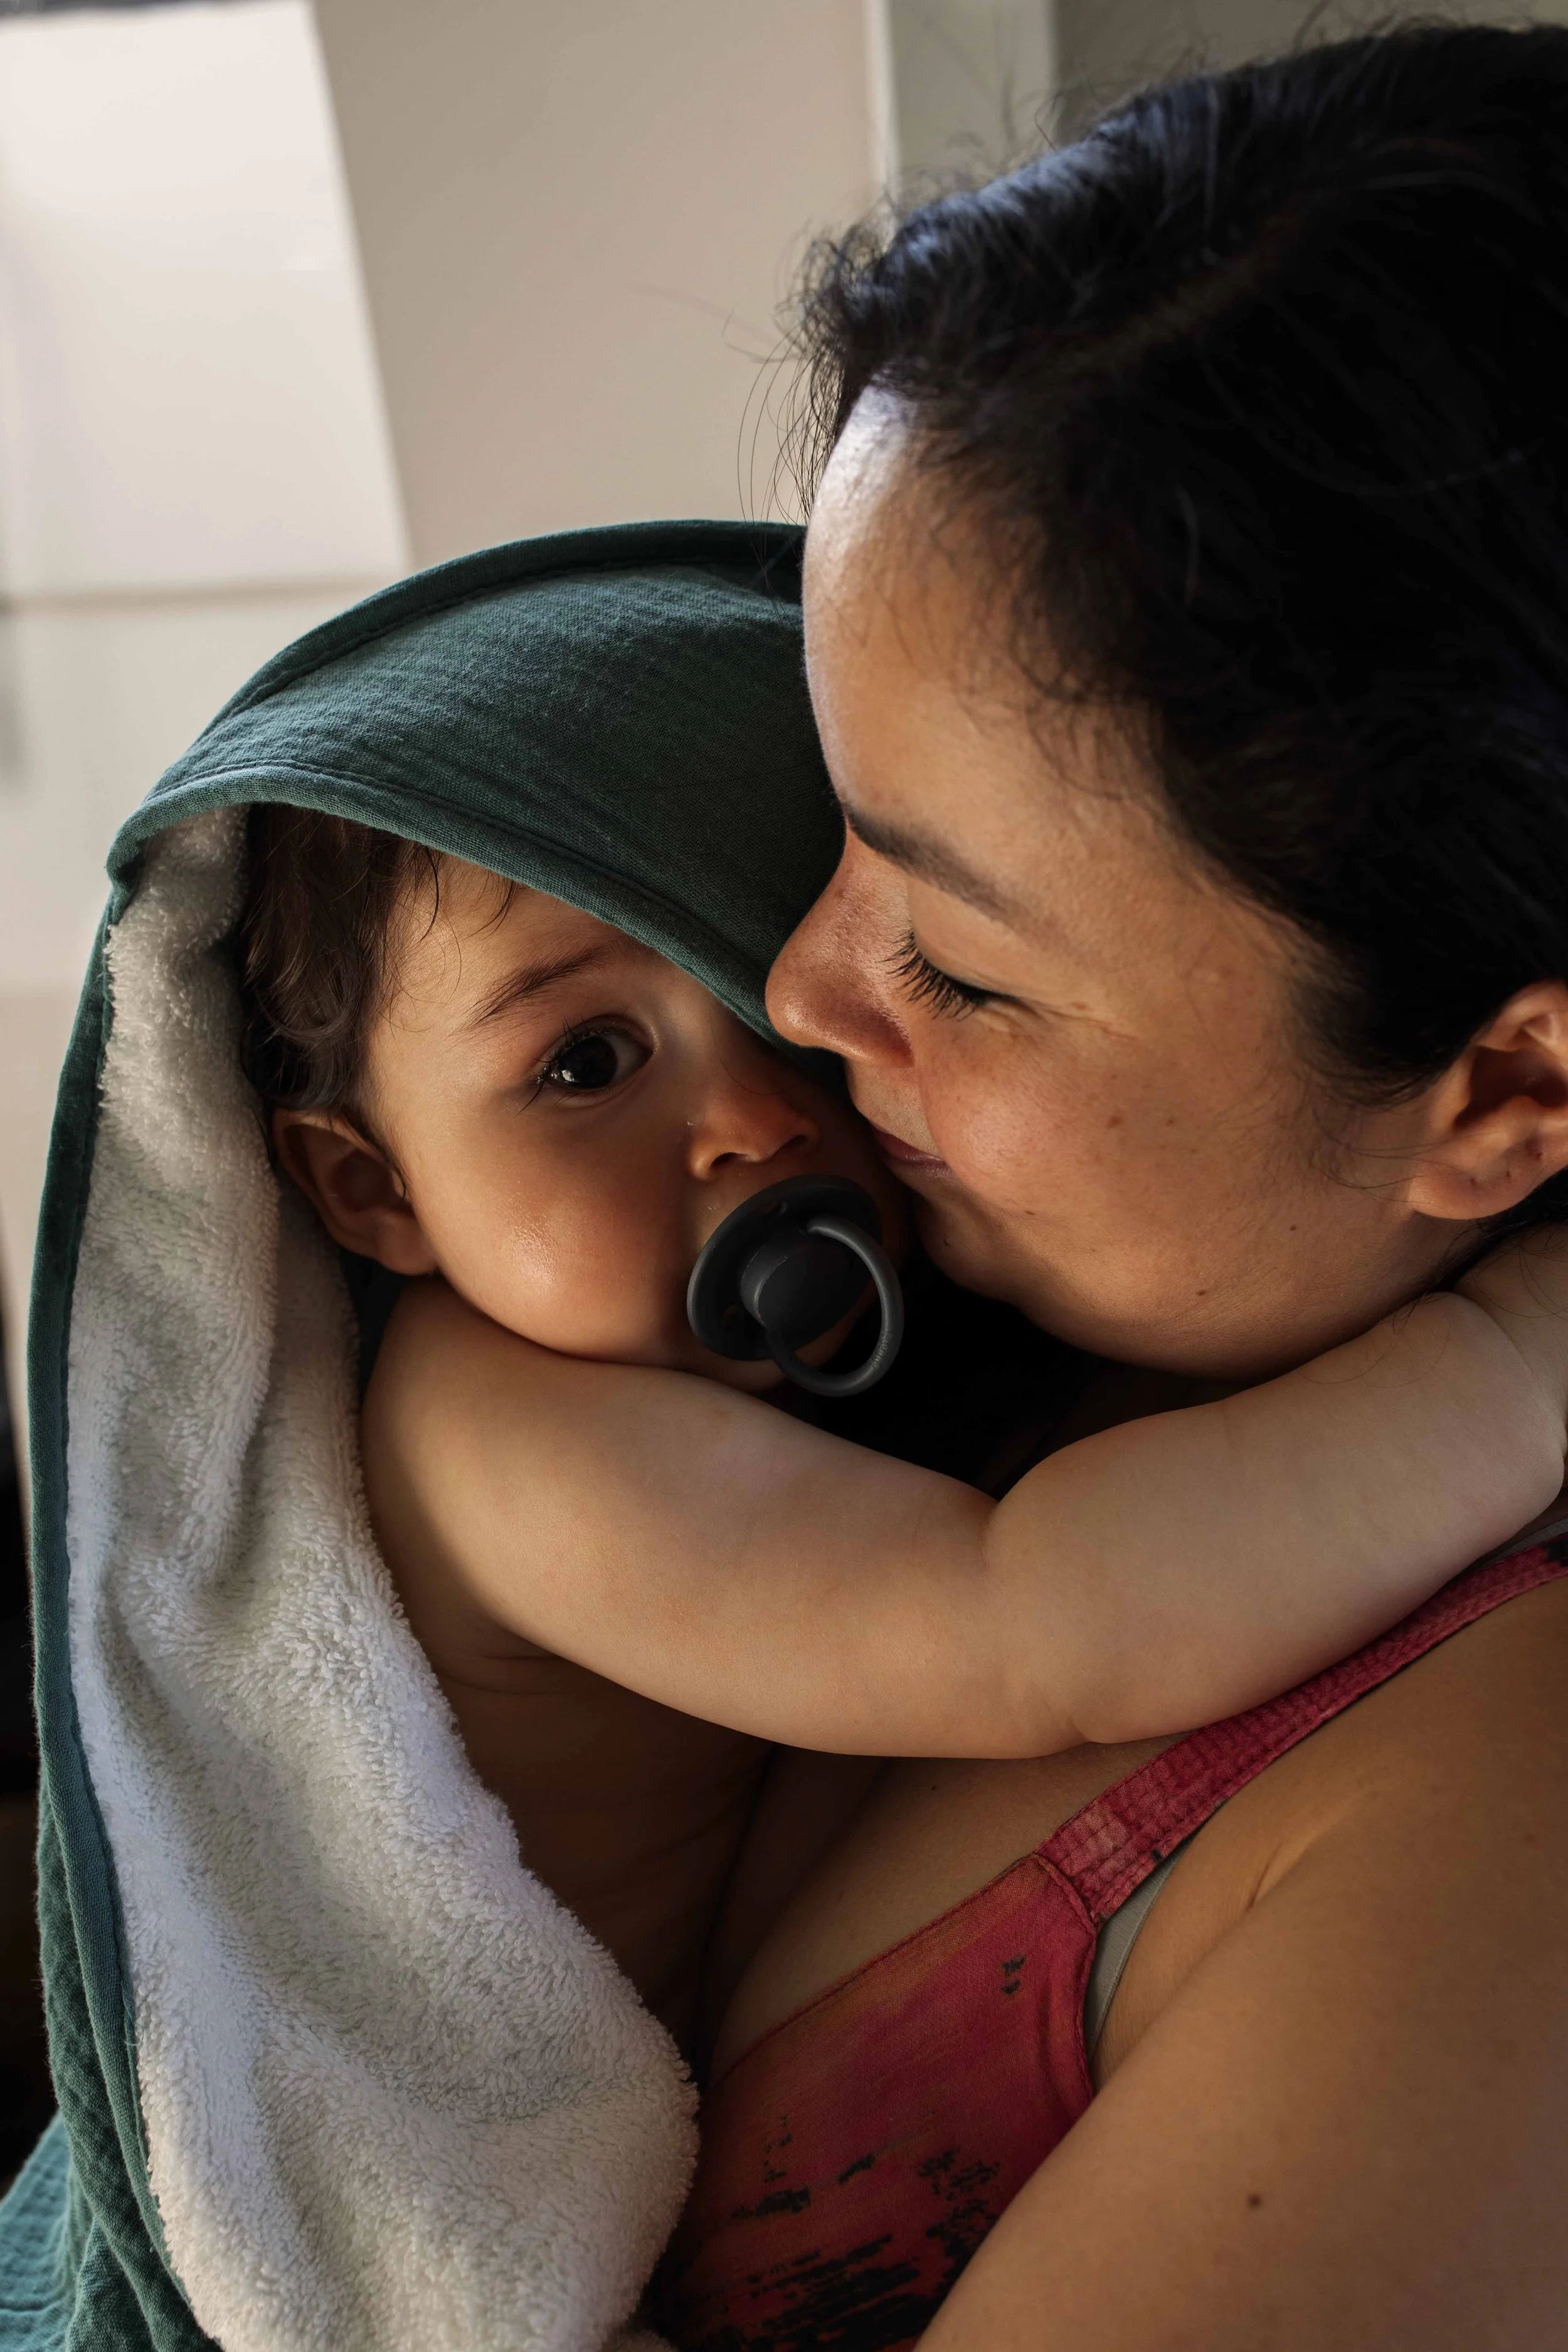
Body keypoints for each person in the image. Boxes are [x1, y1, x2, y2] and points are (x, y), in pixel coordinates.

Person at [650, 22, 1568, 2351]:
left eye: (958, 964)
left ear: (1511, 1088)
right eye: (834, 827)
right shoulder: (957, 1317)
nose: (795, 983)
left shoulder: (1507, 1840)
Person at [240, 807, 1568, 2067]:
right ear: (372, 1189)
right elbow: (1037, 1626)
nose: (763, 1122)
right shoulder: (499, 1444)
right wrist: (1512, 1365)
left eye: (778, 1025)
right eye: (587, 1063)